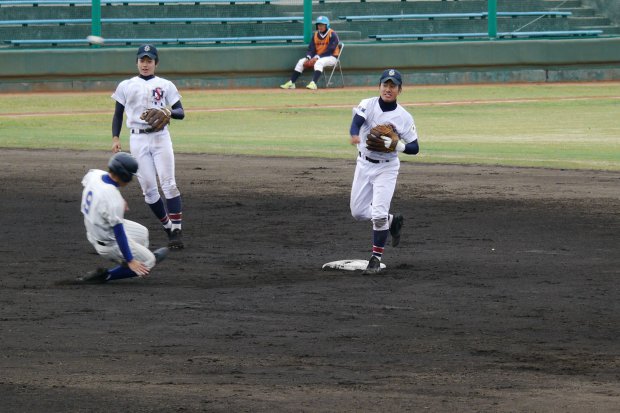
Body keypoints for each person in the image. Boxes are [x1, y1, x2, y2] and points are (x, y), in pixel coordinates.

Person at [111, 44, 186, 249]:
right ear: (137, 62)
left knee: (169, 183)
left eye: (149, 61)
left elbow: (181, 111)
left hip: (161, 138)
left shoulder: (166, 85)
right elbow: (118, 114)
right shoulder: (126, 85)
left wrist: (169, 112)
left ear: (155, 63)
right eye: (142, 60)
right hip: (137, 139)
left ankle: (177, 230)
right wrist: (115, 138)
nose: (145, 64)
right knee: (149, 191)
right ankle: (168, 228)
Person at [348, 69, 420, 274]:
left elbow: (415, 148)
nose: (388, 89)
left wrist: (399, 146)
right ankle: (392, 221)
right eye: (385, 85)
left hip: (387, 168)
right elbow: (356, 123)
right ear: (379, 86)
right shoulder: (367, 104)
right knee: (358, 212)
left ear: (399, 90)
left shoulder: (404, 117)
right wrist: (354, 134)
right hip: (363, 164)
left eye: (393, 86)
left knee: (377, 214)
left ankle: (375, 258)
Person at [77, 152, 169, 284]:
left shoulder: (95, 175)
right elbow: (119, 234)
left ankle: (129, 259)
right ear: (124, 176)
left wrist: (113, 201)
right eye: (130, 175)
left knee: (143, 233)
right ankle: (106, 275)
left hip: (95, 227)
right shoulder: (113, 200)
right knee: (149, 261)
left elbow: (89, 184)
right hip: (107, 243)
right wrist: (131, 260)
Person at [280, 16, 341, 90]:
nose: (320, 27)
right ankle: (292, 82)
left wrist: (316, 57)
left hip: (331, 57)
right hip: (318, 56)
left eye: (322, 25)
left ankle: (313, 83)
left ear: (327, 25)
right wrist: (308, 57)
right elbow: (311, 49)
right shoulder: (315, 35)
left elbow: (330, 50)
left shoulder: (332, 34)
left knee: (319, 62)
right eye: (319, 25)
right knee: (301, 61)